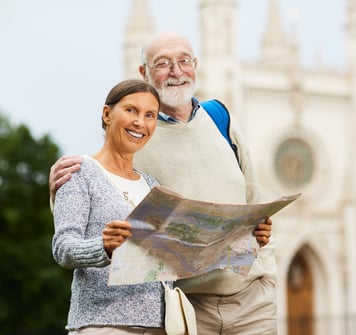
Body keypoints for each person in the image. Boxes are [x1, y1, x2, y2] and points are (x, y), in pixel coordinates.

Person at [50, 32, 277, 335]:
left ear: (196, 65)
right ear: (143, 73)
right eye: (163, 63)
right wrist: (58, 191)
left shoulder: (221, 118)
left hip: (252, 298)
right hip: (183, 307)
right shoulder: (134, 143)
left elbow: (255, 204)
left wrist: (261, 239)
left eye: (184, 61)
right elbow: (87, 211)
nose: (177, 71)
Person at [52, 79, 167, 334]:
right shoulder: (78, 172)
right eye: (131, 110)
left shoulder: (153, 186)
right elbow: (63, 247)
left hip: (160, 326)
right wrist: (102, 246)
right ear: (107, 114)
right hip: (103, 324)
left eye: (150, 115)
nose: (141, 122)